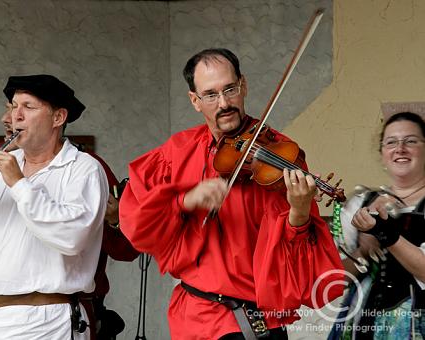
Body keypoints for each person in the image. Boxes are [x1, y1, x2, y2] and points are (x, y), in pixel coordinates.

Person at [119, 48, 344, 339]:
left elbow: (292, 256)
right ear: (195, 101)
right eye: (210, 95)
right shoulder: (177, 151)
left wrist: (300, 211)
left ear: (244, 86)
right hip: (193, 317)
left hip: (250, 321)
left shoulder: (278, 153)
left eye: (230, 89)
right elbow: (136, 223)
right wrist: (184, 201)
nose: (224, 103)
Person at [0, 100, 138, 340]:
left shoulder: (87, 168)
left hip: (57, 317)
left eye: (27, 108)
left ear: (57, 118)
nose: (8, 117)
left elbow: (126, 246)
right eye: (11, 107)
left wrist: (116, 220)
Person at [329, 111, 425, 339]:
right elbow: (333, 281)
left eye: (411, 141)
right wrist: (362, 251)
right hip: (361, 323)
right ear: (382, 153)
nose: (400, 148)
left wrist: (386, 235)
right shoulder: (360, 203)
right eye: (391, 142)